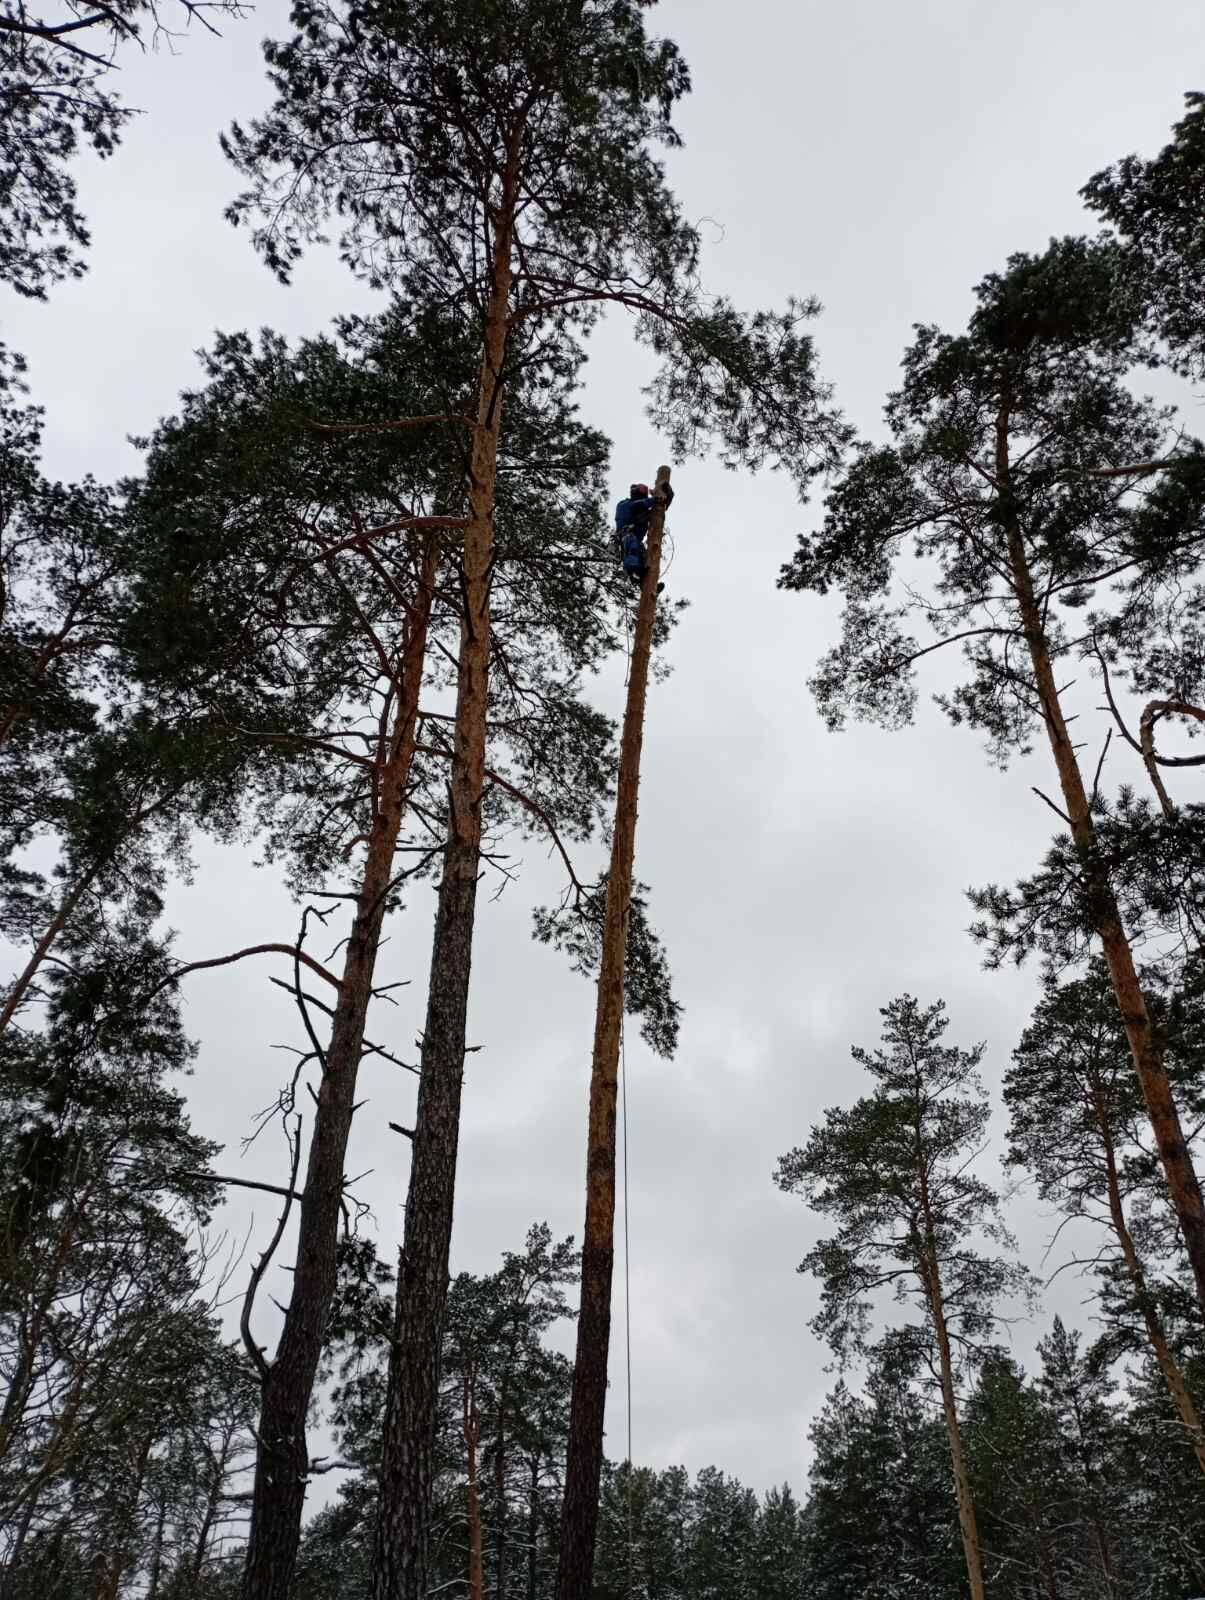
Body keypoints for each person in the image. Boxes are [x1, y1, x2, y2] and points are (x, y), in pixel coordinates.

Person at [614, 479, 673, 590]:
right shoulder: (626, 504)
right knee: (633, 550)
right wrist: (655, 499)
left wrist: (667, 496)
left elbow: (657, 510)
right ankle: (634, 572)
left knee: (646, 559)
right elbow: (640, 505)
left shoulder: (642, 510)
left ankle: (649, 586)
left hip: (635, 538)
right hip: (627, 535)